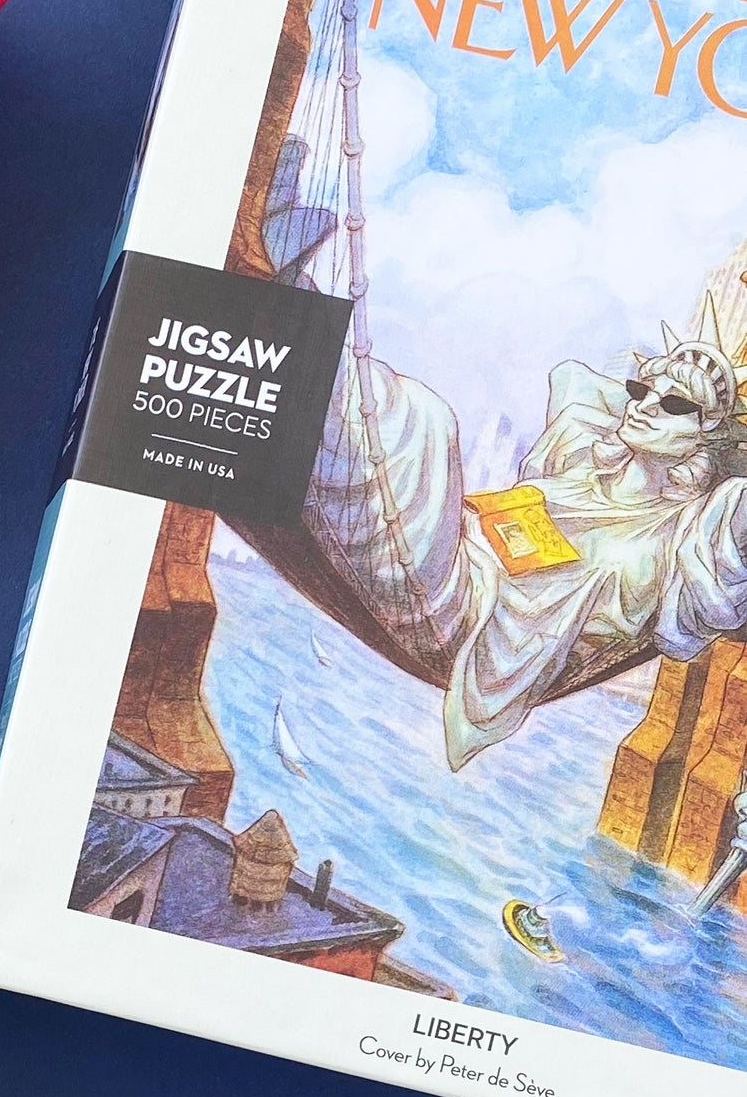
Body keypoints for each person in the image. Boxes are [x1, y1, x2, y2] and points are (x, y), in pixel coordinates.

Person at [310, 300, 747, 768]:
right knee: (398, 407)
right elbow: (572, 376)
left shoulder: (689, 533)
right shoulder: (579, 466)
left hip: (469, 623)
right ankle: (290, 312)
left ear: (707, 431)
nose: (643, 407)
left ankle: (295, 327)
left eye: (674, 404)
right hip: (457, 563)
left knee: (425, 421)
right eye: (640, 390)